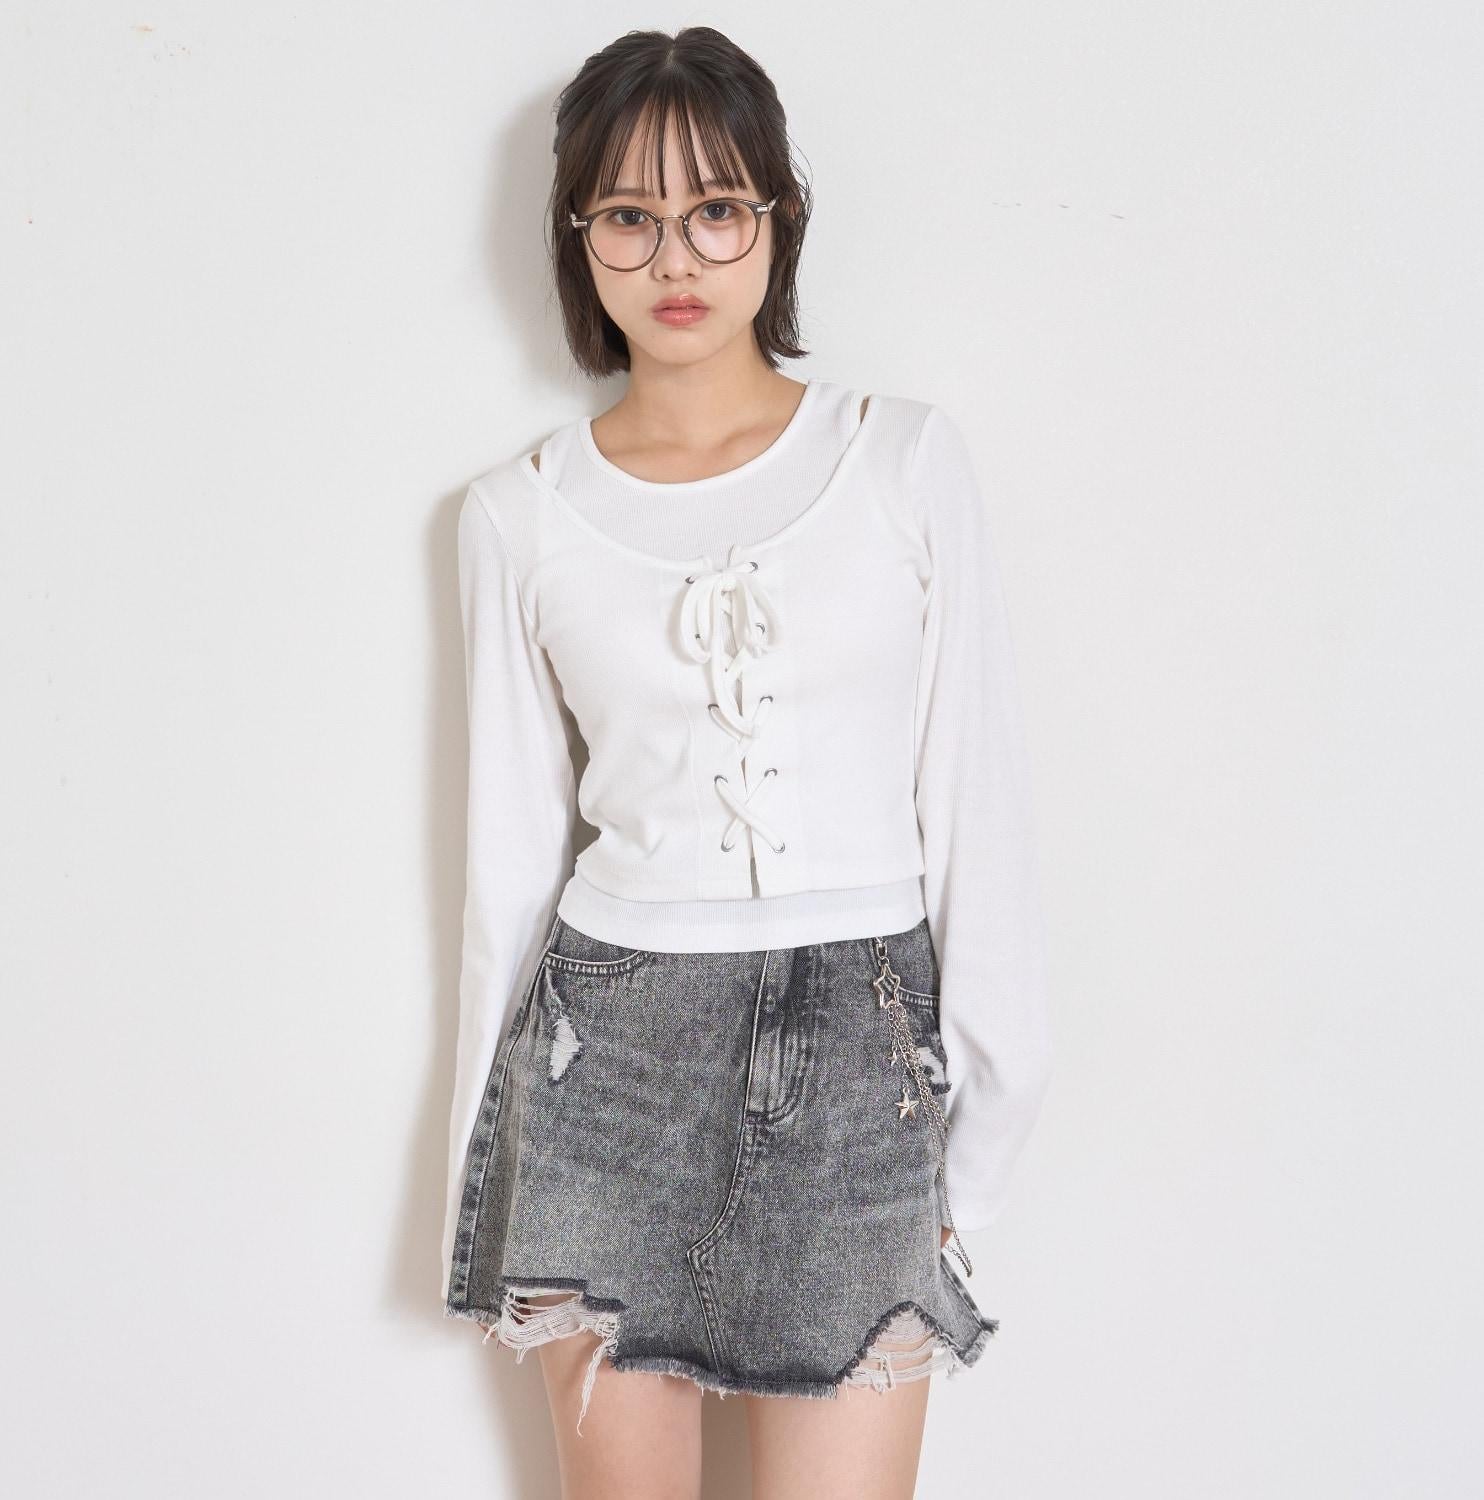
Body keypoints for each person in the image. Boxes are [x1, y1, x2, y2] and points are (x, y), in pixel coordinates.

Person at [442, 25, 1054, 1499]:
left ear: (778, 219)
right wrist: (486, 1175)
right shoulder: (517, 515)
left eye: (717, 208)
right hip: (608, 1067)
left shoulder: (903, 459)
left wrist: (980, 1136)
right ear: (576, 236)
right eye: (629, 216)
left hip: (860, 1064)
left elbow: (976, 803)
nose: (677, 258)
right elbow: (507, 867)